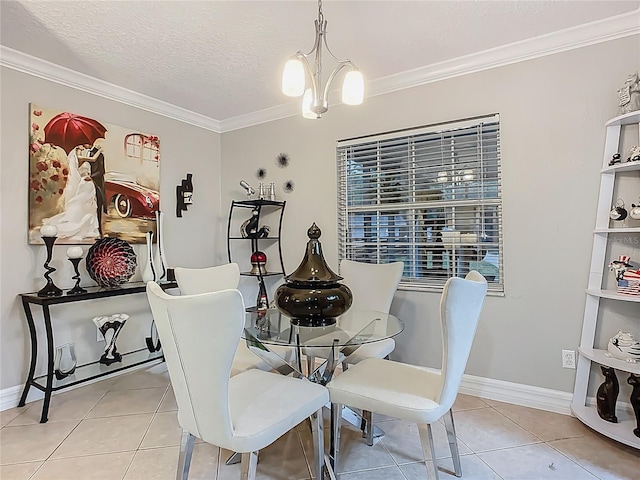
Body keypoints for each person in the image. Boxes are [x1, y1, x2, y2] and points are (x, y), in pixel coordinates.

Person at [42, 144, 102, 241]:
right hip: (85, 184)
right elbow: (93, 159)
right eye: (80, 148)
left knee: (89, 206)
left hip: (89, 185)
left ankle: (89, 228)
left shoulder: (81, 157)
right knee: (84, 206)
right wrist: (99, 150)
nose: (82, 148)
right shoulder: (80, 158)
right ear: (77, 150)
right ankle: (82, 227)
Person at [79, 145, 107, 236]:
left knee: (97, 207)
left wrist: (91, 177)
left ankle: (98, 230)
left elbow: (101, 171)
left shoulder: (99, 154)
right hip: (83, 184)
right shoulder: (80, 153)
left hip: (95, 184)